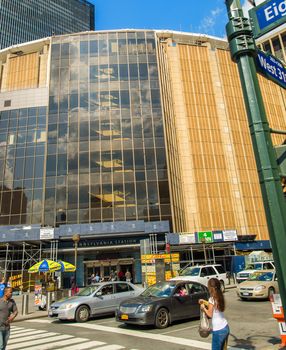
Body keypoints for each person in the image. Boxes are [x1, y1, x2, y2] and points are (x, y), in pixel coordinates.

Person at [199, 278, 229, 350]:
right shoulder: (220, 296)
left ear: (210, 287)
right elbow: (215, 307)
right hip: (225, 327)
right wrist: (205, 302)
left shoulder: (212, 299)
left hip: (218, 331)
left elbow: (210, 314)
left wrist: (203, 308)